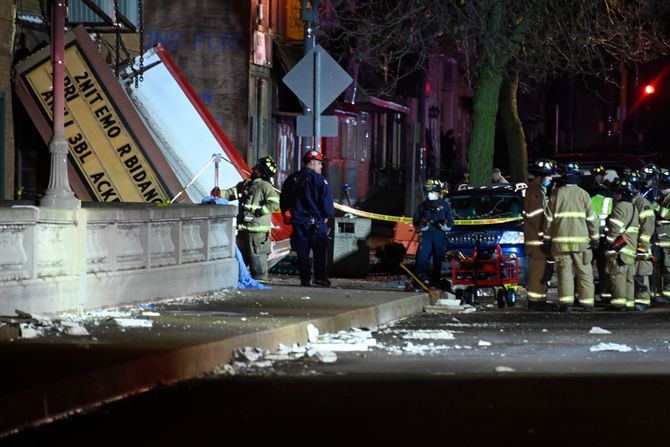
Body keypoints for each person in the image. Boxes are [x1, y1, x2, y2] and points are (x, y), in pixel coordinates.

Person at [544, 161, 599, 312]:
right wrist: (595, 238)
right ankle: (587, 304)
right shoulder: (584, 195)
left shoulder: (556, 195)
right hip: (581, 244)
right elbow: (592, 220)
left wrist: (547, 240)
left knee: (564, 273)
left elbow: (548, 220)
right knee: (584, 273)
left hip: (560, 244)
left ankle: (566, 304)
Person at [280, 150, 335, 287]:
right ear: (312, 162)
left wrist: (287, 214)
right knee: (320, 251)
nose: (321, 167)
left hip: (298, 222)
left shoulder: (292, 179)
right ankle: (320, 277)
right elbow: (326, 201)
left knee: (302, 252)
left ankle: (305, 278)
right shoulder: (320, 180)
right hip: (317, 222)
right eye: (319, 164)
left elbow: (283, 200)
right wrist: (326, 215)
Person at [222, 156, 280, 281]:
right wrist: (219, 193)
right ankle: (240, 281)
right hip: (243, 230)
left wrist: (260, 211)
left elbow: (275, 203)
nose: (253, 169)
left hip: (258, 233)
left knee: (257, 261)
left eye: (258, 168)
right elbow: (231, 193)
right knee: (239, 260)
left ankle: (259, 286)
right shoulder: (246, 185)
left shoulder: (265, 187)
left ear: (263, 173)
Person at [524, 159, 557, 311]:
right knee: (538, 269)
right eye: (549, 177)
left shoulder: (538, 191)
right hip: (537, 240)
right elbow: (538, 218)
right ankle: (535, 301)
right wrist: (545, 236)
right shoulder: (535, 193)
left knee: (542, 270)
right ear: (541, 176)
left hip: (536, 238)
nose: (550, 179)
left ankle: (539, 299)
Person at [605, 179, 639, 311]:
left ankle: (619, 304)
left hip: (620, 249)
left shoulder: (619, 207)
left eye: (615, 193)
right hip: (631, 248)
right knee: (629, 278)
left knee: (618, 277)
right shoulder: (633, 207)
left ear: (620, 194)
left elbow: (614, 228)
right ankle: (629, 303)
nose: (613, 195)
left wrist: (609, 242)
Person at [412, 178, 454, 288]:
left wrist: (446, 227)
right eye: (428, 192)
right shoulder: (422, 206)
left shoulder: (445, 205)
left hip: (439, 236)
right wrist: (421, 226)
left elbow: (450, 222)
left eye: (432, 192)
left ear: (438, 192)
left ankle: (435, 281)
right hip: (426, 236)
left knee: (438, 259)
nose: (430, 194)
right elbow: (415, 220)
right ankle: (417, 281)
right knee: (421, 258)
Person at [627, 171, 655, 311]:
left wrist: (642, 245)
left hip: (639, 245)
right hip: (630, 244)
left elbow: (648, 226)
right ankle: (633, 299)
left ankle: (643, 300)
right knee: (631, 273)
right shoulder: (629, 202)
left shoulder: (643, 203)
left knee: (640, 273)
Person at [588, 166, 613, 303]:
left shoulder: (587, 199)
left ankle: (585, 296)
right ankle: (605, 296)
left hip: (590, 239)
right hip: (604, 239)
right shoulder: (609, 200)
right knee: (604, 270)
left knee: (586, 270)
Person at [654, 169, 670, 302]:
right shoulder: (663, 198)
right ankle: (662, 292)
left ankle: (668, 293)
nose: (661, 188)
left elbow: (667, 214)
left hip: (668, 238)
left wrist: (656, 206)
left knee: (668, 266)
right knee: (662, 266)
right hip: (662, 238)